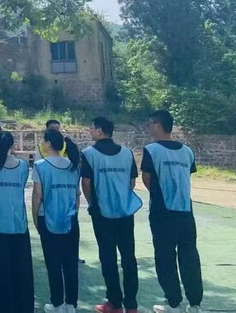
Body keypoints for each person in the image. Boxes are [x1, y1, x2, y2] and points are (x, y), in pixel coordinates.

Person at [142, 110, 203, 313]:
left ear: (158, 125)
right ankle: (195, 303)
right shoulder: (187, 151)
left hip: (163, 212)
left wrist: (160, 196)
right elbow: (186, 175)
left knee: (165, 257)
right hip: (185, 210)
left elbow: (147, 178)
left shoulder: (151, 150)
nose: (148, 127)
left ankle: (173, 303)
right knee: (189, 257)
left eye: (150, 124)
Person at [81, 117, 142, 313]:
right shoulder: (127, 153)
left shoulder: (89, 154)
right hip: (125, 212)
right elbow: (132, 182)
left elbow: (86, 183)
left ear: (99, 130)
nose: (90, 131)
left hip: (102, 213)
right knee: (128, 258)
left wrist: (92, 203)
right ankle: (131, 305)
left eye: (91, 128)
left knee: (108, 258)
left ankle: (114, 303)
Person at [0, 131, 34, 313]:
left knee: (0, 271)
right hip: (19, 224)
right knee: (21, 271)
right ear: (13, 145)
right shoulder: (23, 166)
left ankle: (2, 307)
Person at [32, 129, 81, 313]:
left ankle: (57, 303)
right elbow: (77, 194)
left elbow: (37, 194)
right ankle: (71, 304)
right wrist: (73, 213)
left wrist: (35, 217)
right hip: (70, 219)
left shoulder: (40, 165)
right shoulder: (73, 164)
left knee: (53, 263)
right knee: (70, 263)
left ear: (48, 143)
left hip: (48, 218)